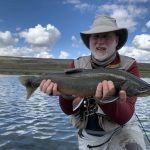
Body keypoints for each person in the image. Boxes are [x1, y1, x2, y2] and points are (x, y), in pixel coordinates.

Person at [40, 15, 146, 150]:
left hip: (123, 129)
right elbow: (68, 110)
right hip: (89, 136)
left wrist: (105, 100)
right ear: (89, 41)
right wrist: (65, 95)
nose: (100, 41)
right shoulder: (77, 64)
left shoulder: (130, 66)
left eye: (106, 36)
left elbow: (124, 117)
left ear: (116, 40)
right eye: (95, 36)